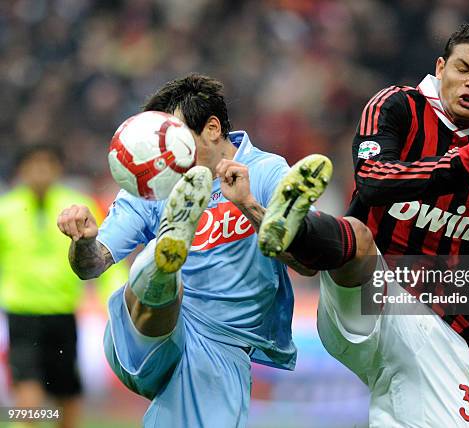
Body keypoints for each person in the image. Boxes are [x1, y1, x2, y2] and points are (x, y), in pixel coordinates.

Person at [253, 23, 469, 427]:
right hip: (370, 296)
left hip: (438, 321)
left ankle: (291, 232)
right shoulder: (396, 106)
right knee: (360, 239)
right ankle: (293, 230)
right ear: (440, 68)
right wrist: (462, 162)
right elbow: (373, 179)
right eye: (463, 68)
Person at [56, 74, 313, 427]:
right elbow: (91, 266)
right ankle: (164, 259)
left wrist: (250, 207)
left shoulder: (267, 172)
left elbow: (309, 264)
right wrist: (82, 242)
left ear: (211, 128)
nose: (162, 154)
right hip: (144, 337)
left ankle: (164, 257)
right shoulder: (153, 186)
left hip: (223, 344)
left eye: (173, 139)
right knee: (162, 271)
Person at [0, 145, 124, 428]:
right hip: (22, 314)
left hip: (64, 313)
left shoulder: (78, 206)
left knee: (67, 398)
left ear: (58, 170)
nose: (40, 172)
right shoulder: (5, 211)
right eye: (33, 165)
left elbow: (104, 256)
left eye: (47, 165)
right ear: (21, 171)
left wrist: (114, 301)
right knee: (28, 395)